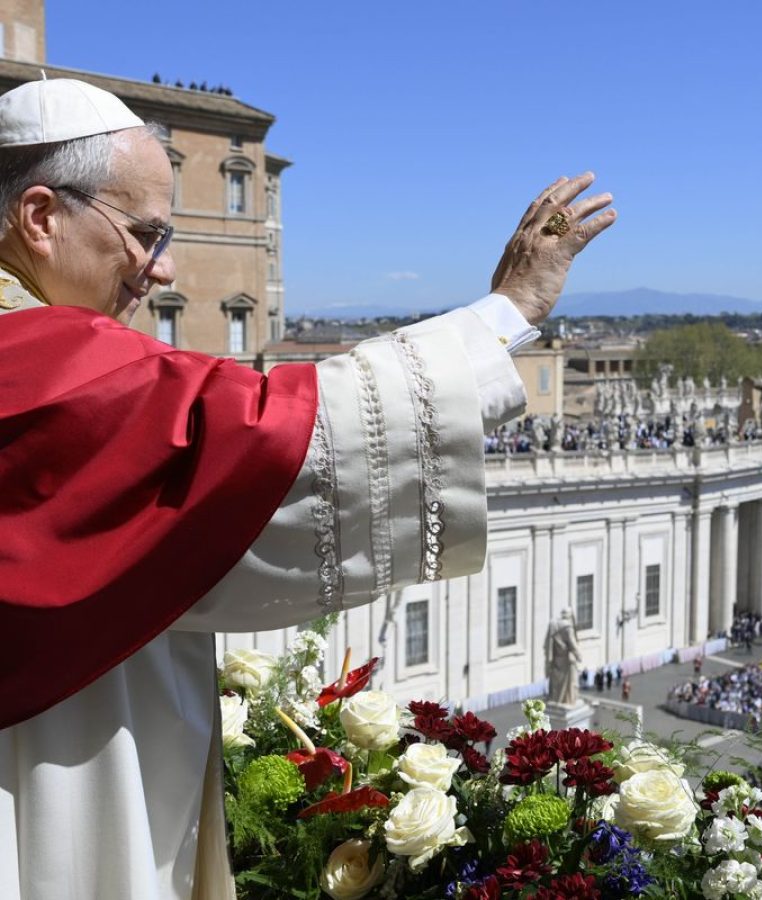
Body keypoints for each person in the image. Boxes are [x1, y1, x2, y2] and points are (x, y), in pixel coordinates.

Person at [0, 78, 616, 900]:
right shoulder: (42, 367)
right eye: (145, 235)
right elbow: (271, 436)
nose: (165, 268)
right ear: (41, 218)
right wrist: (507, 311)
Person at [544, 608, 583, 706]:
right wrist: (579, 656)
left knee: (557, 681)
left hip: (556, 659)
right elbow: (572, 644)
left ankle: (556, 698)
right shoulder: (567, 627)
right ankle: (566, 700)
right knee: (569, 683)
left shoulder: (553, 624)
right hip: (566, 660)